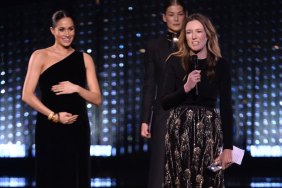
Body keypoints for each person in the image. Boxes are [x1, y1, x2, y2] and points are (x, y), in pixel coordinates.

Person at [22, 10, 102, 188]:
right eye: (62, 29)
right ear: (53, 31)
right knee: (51, 177)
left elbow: (97, 99)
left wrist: (77, 88)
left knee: (76, 178)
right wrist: (54, 116)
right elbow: (26, 95)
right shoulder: (40, 56)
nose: (67, 34)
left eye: (71, 29)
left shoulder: (85, 58)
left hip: (77, 129)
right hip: (49, 127)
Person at [161, 13, 233, 187]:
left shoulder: (220, 65)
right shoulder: (174, 62)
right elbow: (164, 102)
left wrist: (228, 148)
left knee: (209, 179)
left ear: (207, 34)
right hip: (180, 131)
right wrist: (186, 87)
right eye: (189, 32)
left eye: (198, 31)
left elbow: (226, 106)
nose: (194, 37)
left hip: (209, 132)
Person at [140, 0, 187, 187]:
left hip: (190, 111)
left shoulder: (195, 42)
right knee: (160, 170)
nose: (175, 18)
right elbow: (149, 84)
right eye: (171, 14)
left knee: (187, 166)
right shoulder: (154, 46)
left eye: (180, 14)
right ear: (164, 17)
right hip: (163, 114)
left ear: (185, 15)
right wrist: (145, 119)